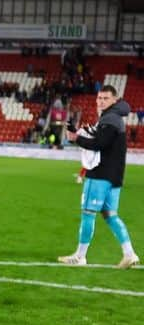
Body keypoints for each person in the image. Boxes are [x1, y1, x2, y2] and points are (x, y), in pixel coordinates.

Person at [59, 85, 138, 268]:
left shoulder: (110, 118)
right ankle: (129, 253)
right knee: (110, 214)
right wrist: (78, 132)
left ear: (114, 100)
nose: (101, 101)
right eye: (99, 98)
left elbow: (99, 144)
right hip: (115, 177)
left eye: (105, 98)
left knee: (88, 213)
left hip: (100, 174)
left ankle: (80, 256)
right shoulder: (115, 117)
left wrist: (75, 139)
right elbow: (100, 138)